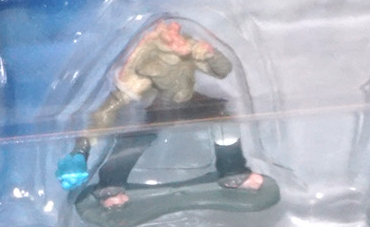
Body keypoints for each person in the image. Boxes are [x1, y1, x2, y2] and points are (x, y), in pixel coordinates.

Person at [59, 19, 265, 209]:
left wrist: (212, 54)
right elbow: (107, 110)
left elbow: (223, 70)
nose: (178, 41)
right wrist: (81, 148)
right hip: (158, 107)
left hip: (188, 101)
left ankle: (233, 171)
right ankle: (109, 186)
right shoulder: (143, 74)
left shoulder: (187, 53)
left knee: (223, 118)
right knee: (134, 140)